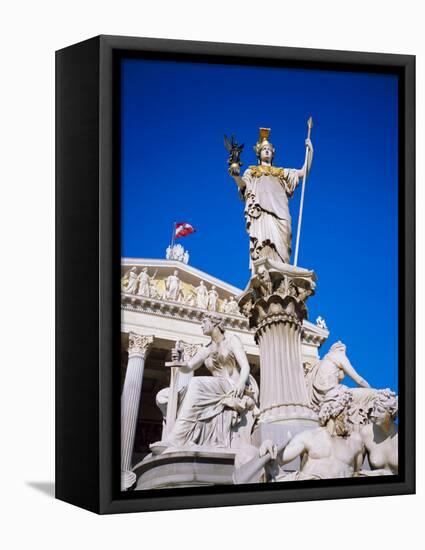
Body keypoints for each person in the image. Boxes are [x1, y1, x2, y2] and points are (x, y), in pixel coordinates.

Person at [158, 313, 259, 451]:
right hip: (215, 387)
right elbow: (189, 367)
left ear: (215, 323)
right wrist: (179, 360)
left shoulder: (232, 340)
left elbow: (245, 366)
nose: (201, 325)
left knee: (196, 383)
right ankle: (180, 435)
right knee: (164, 396)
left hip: (231, 386)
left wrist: (240, 384)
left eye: (204, 322)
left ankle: (177, 438)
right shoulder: (207, 348)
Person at [229, 128, 313, 271]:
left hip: (281, 214)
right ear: (259, 153)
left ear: (273, 153)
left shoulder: (282, 173)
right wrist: (236, 176)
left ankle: (282, 276)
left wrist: (310, 151)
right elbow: (244, 186)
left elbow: (303, 172)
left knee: (283, 246)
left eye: (269, 149)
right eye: (264, 149)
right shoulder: (252, 172)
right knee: (264, 246)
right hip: (262, 214)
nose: (267, 151)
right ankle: (265, 276)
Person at [266, 387, 364, 481]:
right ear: (335, 410)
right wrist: (268, 444)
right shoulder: (309, 436)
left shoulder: (355, 441)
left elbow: (356, 474)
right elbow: (277, 459)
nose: (350, 414)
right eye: (347, 408)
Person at [358, 389, 398, 476]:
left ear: (392, 412)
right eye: (373, 409)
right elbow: (356, 471)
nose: (373, 414)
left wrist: (382, 473)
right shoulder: (366, 433)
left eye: (379, 410)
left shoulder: (407, 435)